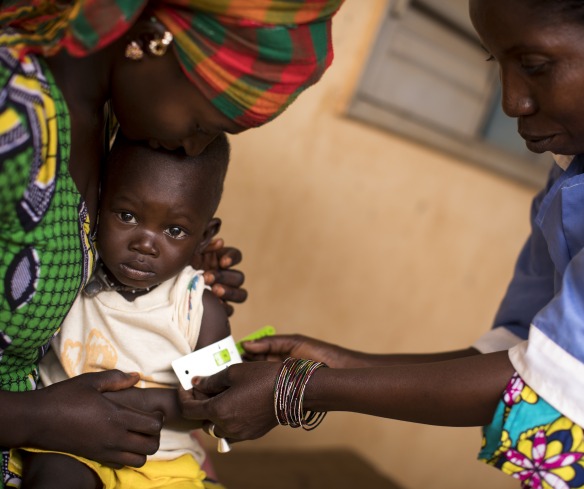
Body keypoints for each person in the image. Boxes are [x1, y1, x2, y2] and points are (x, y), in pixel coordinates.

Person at [178, 0, 584, 487]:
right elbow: (526, 351)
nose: (512, 102)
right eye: (496, 65)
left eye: (536, 67)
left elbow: (545, 380)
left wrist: (303, 389)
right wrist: (348, 365)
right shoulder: (567, 176)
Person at [0, 0, 344, 487]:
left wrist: (181, 284)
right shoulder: (13, 112)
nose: (195, 148)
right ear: (153, 42)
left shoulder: (119, 125)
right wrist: (36, 419)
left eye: (176, 230)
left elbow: (211, 389)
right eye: (205, 125)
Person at [11, 132, 232, 489]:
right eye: (127, 215)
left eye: (174, 230)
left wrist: (137, 403)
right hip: (66, 444)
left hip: (164, 464)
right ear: (99, 204)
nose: (145, 243)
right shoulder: (73, 276)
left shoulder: (197, 310)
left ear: (204, 237)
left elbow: (218, 403)